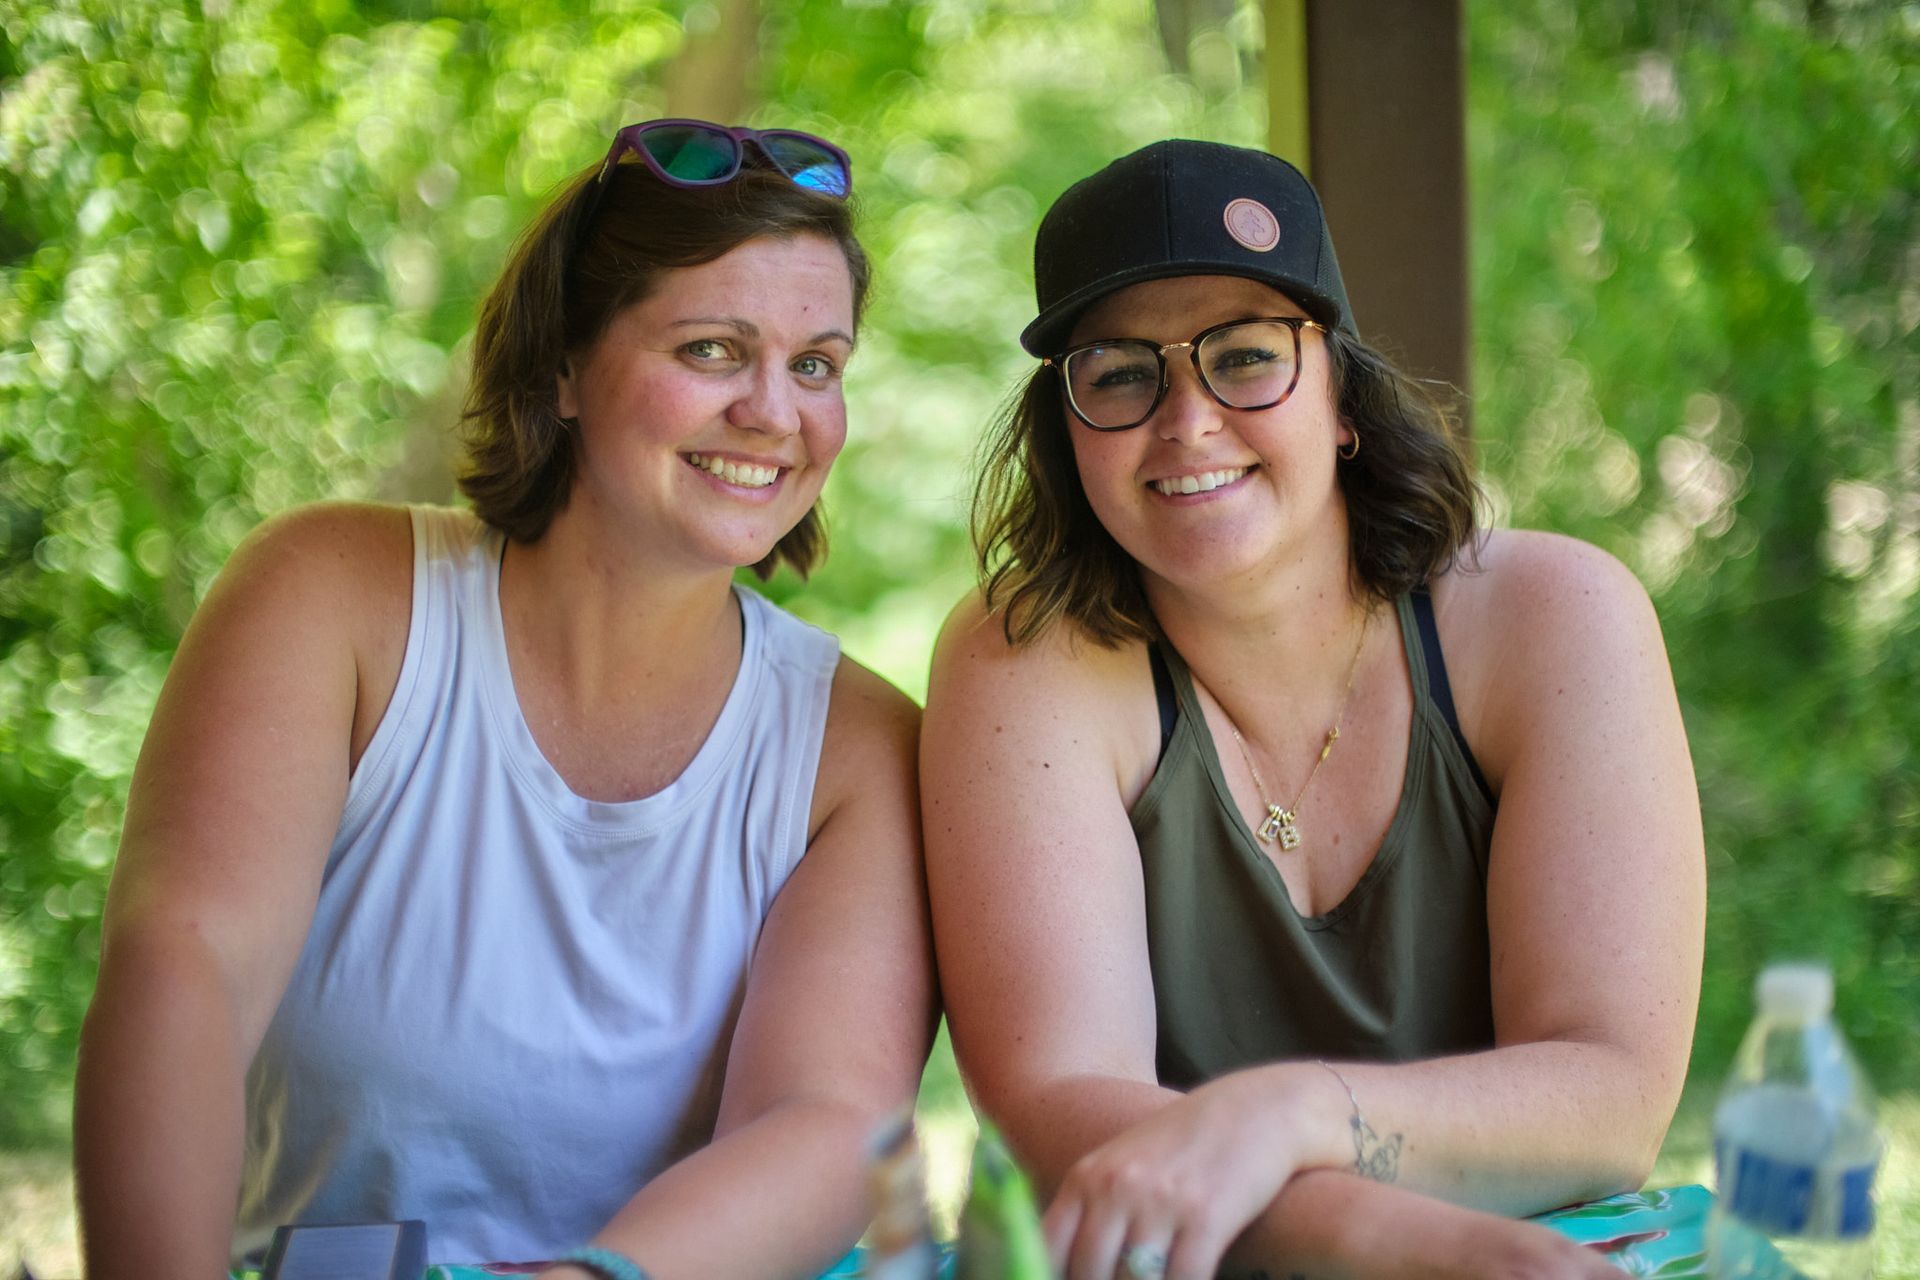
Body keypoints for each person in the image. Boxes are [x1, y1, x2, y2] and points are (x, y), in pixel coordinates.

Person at [74, 119, 935, 1280]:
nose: (776, 413)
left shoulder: (861, 745)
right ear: (565, 367)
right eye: (714, 350)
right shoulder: (331, 598)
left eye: (817, 364)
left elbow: (827, 1126)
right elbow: (186, 967)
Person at [921, 139, 1705, 1280]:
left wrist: (1292, 1116)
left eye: (1243, 357)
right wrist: (1387, 1237)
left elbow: (1609, 1093)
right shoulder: (1023, 655)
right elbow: (1055, 1111)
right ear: (1067, 425)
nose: (1187, 420)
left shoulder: (1554, 615)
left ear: (1341, 394)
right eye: (1122, 372)